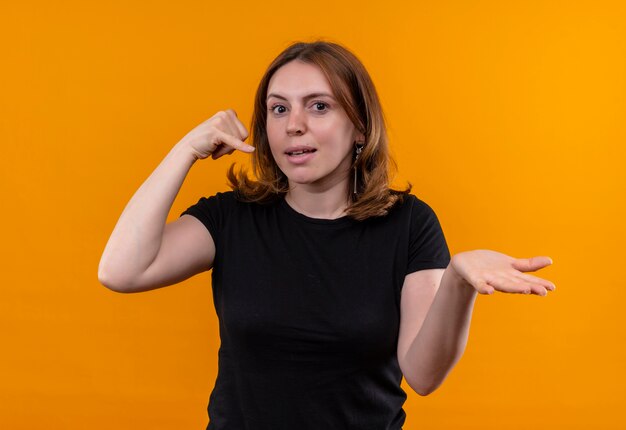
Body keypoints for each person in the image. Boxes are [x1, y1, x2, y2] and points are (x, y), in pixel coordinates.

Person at [98, 41, 555, 429]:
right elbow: (121, 271)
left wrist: (457, 282)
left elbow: (423, 375)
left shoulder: (409, 224)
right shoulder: (232, 218)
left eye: (319, 105)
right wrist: (185, 151)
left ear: (359, 126)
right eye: (279, 109)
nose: (294, 123)